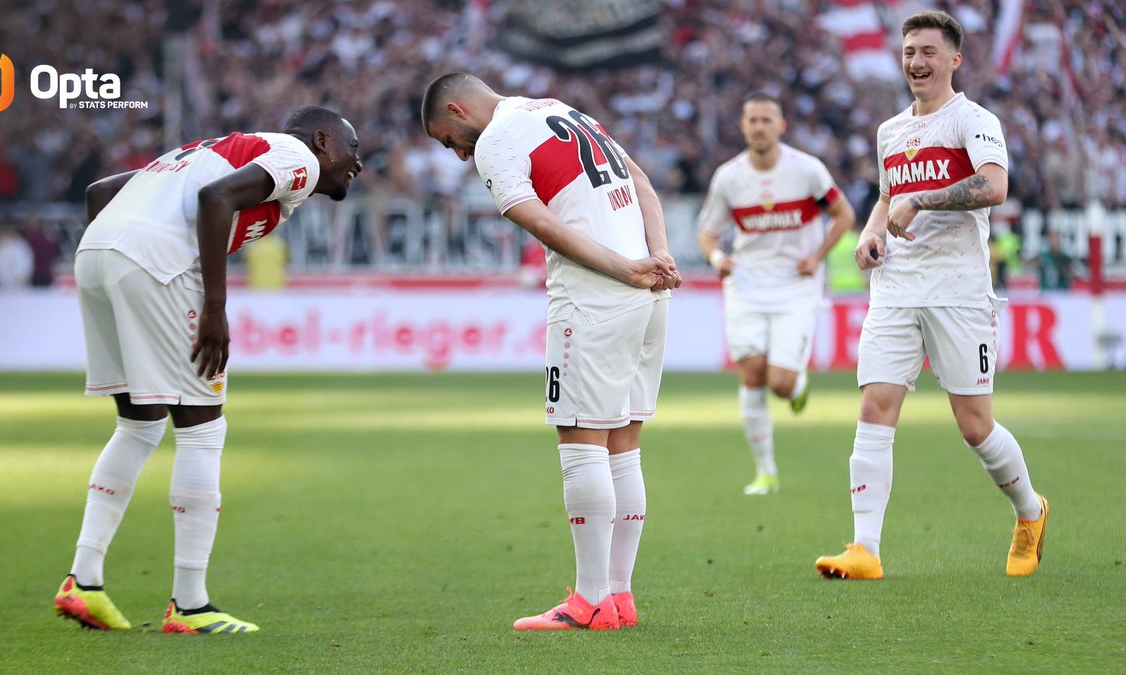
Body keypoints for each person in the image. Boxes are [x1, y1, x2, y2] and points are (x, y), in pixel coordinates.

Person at [54, 106, 363, 634]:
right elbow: (214, 199)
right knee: (202, 427)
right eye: (353, 149)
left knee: (140, 423)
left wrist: (123, 263)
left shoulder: (207, 151)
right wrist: (215, 306)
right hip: (157, 265)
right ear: (322, 140)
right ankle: (191, 606)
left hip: (98, 257)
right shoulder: (297, 158)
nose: (358, 164)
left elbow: (101, 192)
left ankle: (83, 580)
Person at [421, 73, 680, 631]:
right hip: (648, 292)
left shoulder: (494, 139)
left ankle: (588, 603)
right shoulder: (560, 110)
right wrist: (655, 256)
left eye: (449, 140)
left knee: (581, 440)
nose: (461, 154)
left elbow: (535, 219)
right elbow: (641, 184)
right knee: (623, 444)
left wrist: (622, 268)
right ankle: (618, 596)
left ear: (458, 110)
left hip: (594, 297)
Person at [814, 10, 1048, 581]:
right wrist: (871, 233)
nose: (916, 62)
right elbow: (889, 195)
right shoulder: (890, 131)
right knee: (875, 406)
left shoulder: (974, 120)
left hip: (959, 291)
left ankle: (1029, 511)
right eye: (909, 52)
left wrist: (924, 201)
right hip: (895, 288)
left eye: (927, 52)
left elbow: (993, 186)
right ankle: (864, 548)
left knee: (974, 425)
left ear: (953, 60)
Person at [696, 93, 856, 496]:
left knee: (780, 384)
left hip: (794, 286)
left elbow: (844, 214)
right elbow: (707, 231)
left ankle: (796, 386)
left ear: (781, 126)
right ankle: (765, 473)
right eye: (753, 120)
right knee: (751, 374)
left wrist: (817, 256)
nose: (760, 127)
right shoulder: (729, 177)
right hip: (747, 285)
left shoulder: (807, 170)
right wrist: (716, 257)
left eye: (767, 120)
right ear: (743, 126)